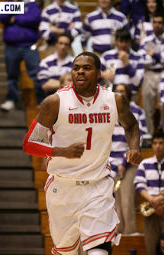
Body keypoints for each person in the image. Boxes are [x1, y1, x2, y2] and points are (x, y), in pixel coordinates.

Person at [23, 51, 142, 255]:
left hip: (98, 186)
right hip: (63, 188)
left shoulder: (114, 101)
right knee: (67, 252)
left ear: (98, 73)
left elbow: (131, 125)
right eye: (76, 68)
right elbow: (29, 145)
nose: (80, 72)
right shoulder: (55, 102)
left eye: (86, 68)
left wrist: (134, 148)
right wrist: (62, 151)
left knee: (99, 251)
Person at [134, 131, 164, 254]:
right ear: (151, 146)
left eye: (161, 143)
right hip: (149, 207)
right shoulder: (145, 163)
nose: (158, 146)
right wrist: (152, 200)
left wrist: (162, 198)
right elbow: (139, 185)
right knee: (151, 242)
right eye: (155, 143)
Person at [110, 84, 148, 235]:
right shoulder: (109, 110)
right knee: (113, 202)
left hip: (129, 163)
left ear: (128, 94)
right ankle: (117, 234)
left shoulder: (138, 111)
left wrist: (124, 162)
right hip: (110, 163)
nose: (120, 94)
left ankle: (130, 233)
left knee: (126, 201)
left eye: (122, 91)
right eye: (117, 91)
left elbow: (139, 136)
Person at [0, 2, 43, 109]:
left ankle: (41, 100)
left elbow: (35, 19)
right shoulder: (9, 3)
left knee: (36, 74)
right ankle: (11, 100)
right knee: (11, 75)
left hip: (30, 46)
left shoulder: (31, 4)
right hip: (11, 46)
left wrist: (16, 19)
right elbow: (2, 17)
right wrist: (14, 8)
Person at [138, 14, 164, 135]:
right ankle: (149, 135)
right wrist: (161, 55)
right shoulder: (145, 40)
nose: (157, 25)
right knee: (148, 107)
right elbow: (142, 59)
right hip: (149, 74)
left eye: (160, 22)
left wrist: (153, 54)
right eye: (154, 22)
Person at [100, 28, 144, 104]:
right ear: (116, 41)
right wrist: (103, 74)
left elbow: (137, 82)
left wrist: (127, 63)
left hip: (132, 96)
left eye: (126, 42)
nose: (123, 44)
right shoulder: (106, 56)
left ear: (130, 42)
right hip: (111, 95)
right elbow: (96, 76)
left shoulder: (138, 57)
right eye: (121, 41)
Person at [37, 33, 74, 99]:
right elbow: (44, 85)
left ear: (69, 46)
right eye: (61, 43)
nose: (63, 46)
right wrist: (65, 83)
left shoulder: (75, 63)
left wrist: (52, 82)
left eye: (66, 44)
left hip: (70, 99)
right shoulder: (45, 62)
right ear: (56, 44)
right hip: (50, 99)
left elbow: (77, 85)